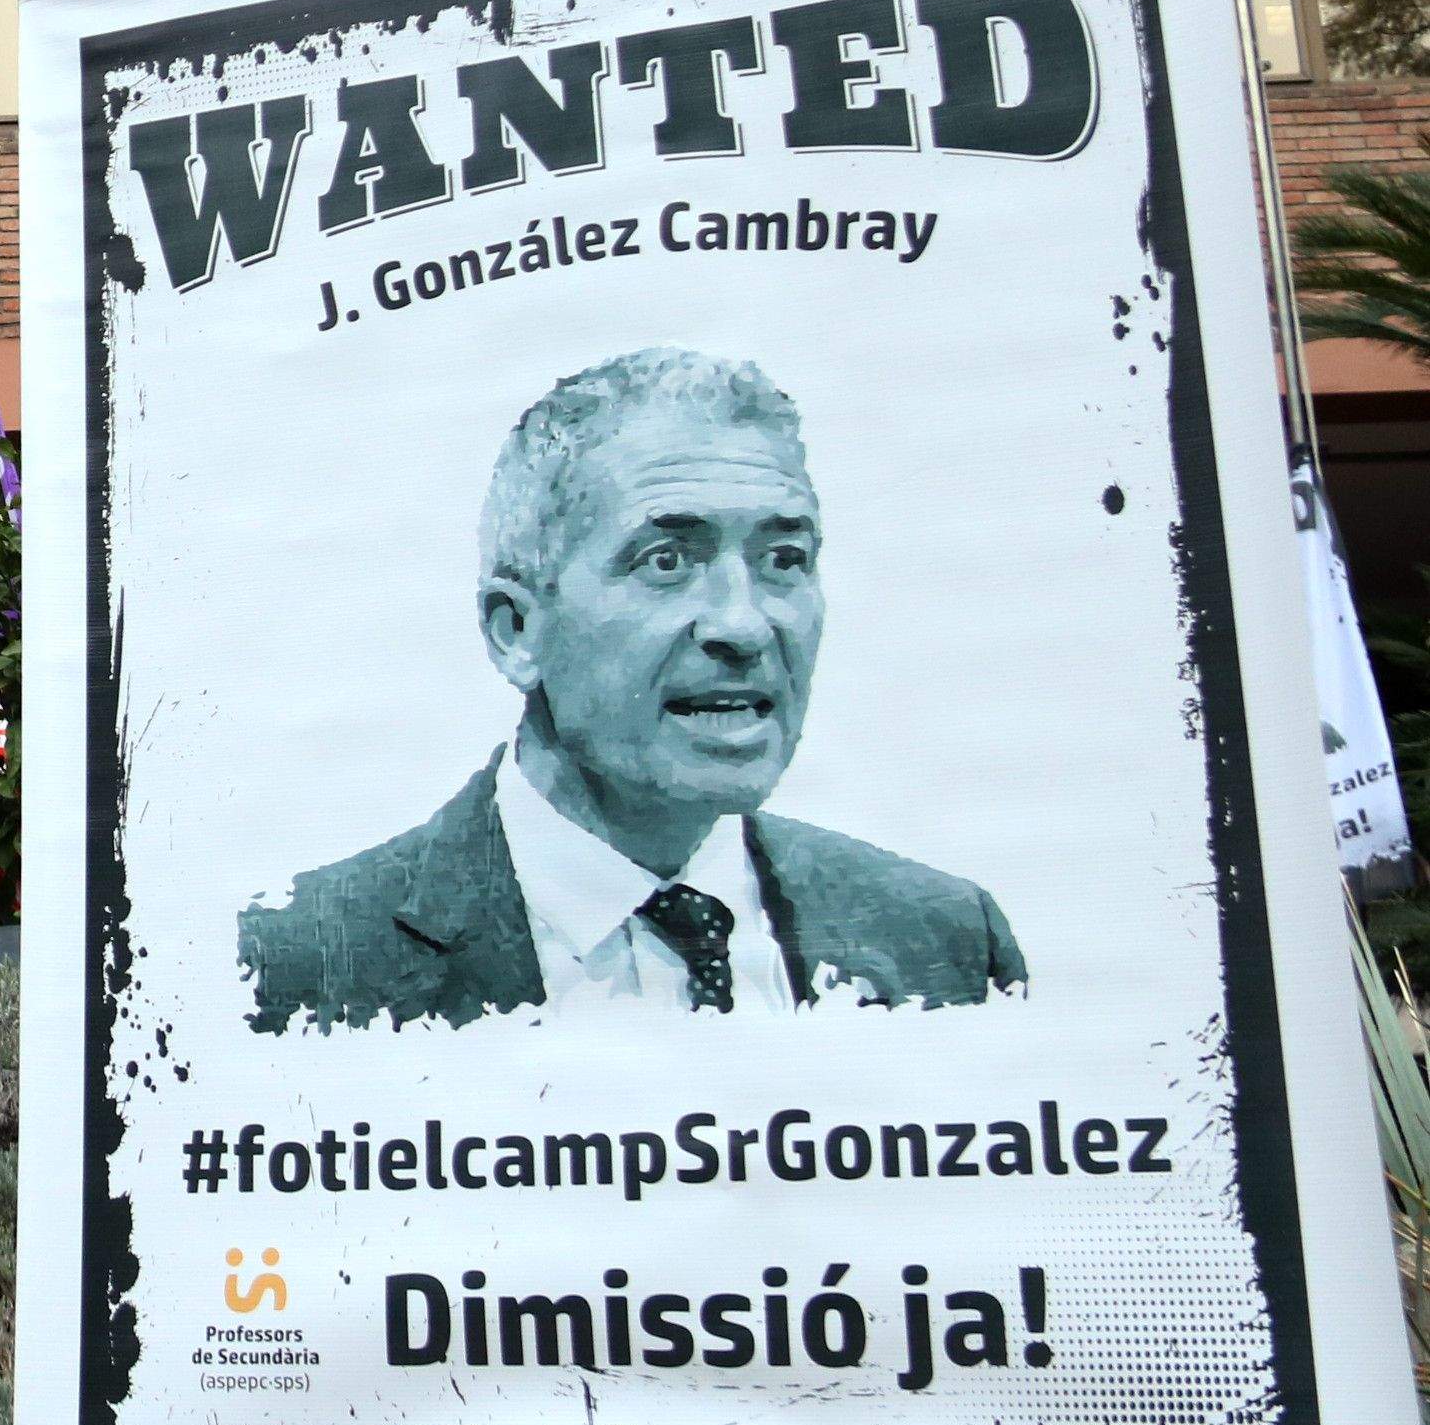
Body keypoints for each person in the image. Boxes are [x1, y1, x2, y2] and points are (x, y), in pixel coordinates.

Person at [242, 346, 1027, 1033]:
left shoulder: (948, 943)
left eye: (783, 559)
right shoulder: (291, 972)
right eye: (666, 561)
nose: (743, 625)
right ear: (517, 630)